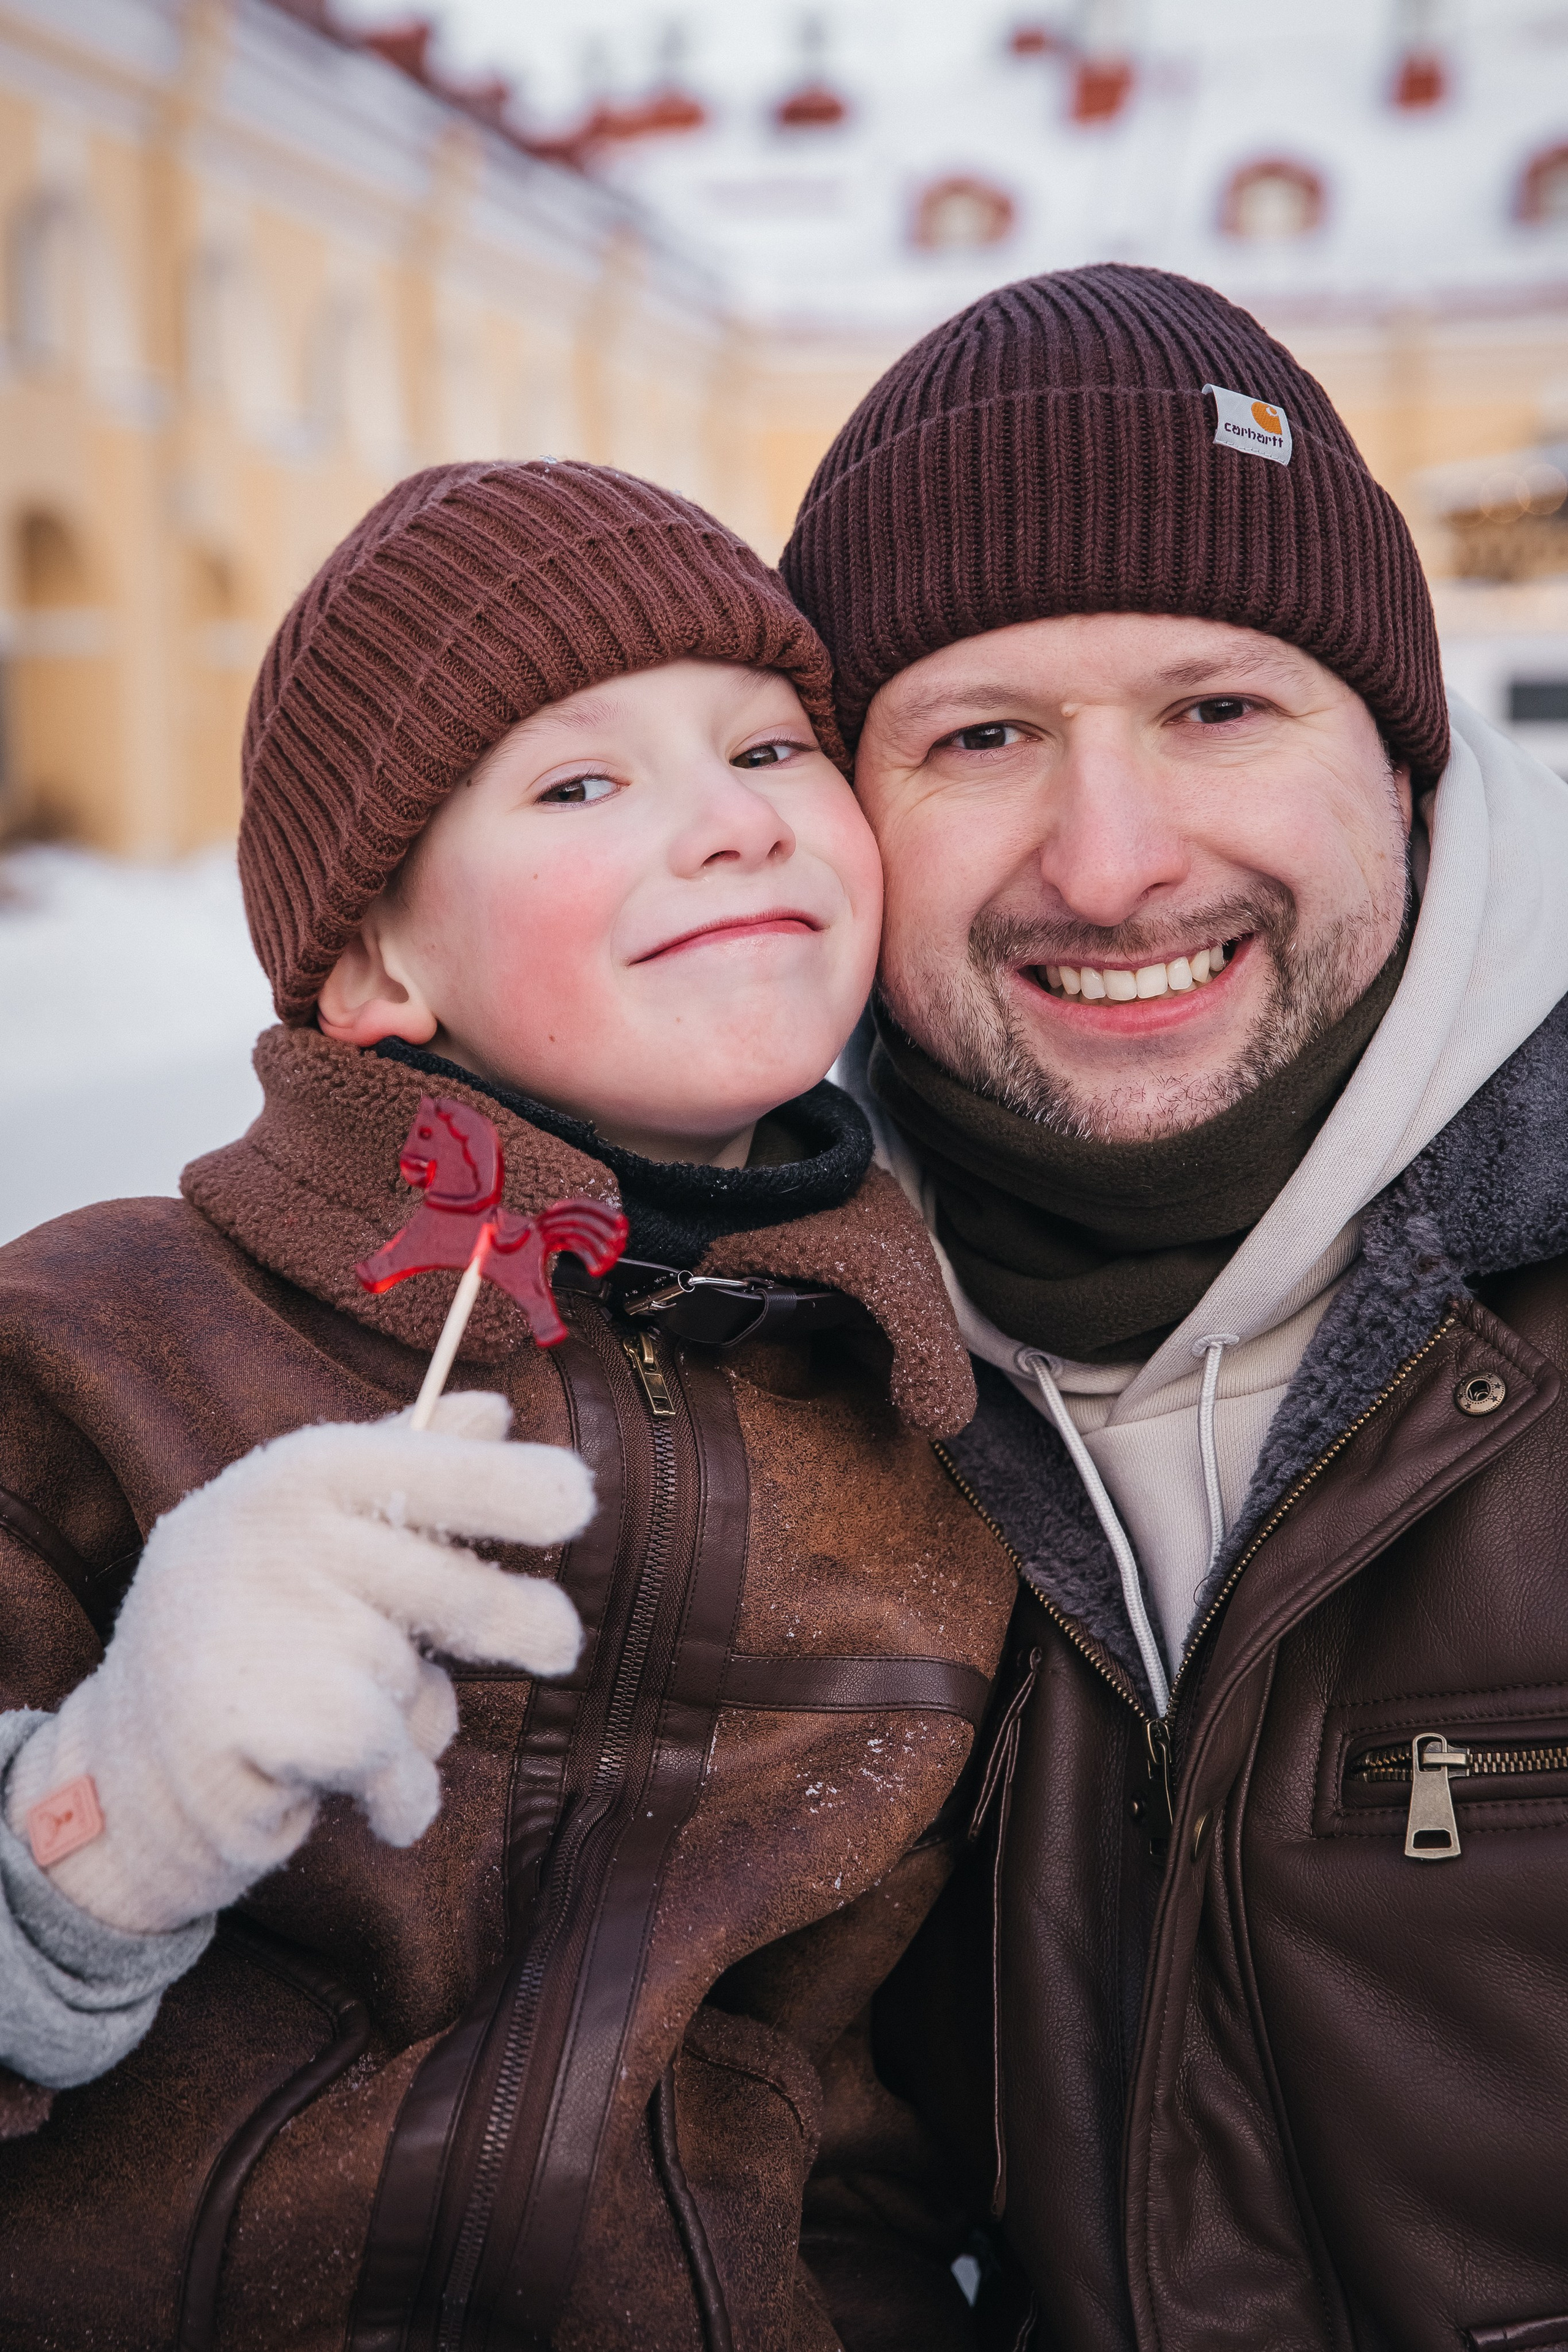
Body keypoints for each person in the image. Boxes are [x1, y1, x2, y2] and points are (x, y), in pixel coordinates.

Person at [0, 462, 1018, 2350]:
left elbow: (879, 2135)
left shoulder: (935, 1451)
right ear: (381, 962)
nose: (728, 827)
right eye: (580, 782)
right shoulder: (96, 1338)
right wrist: (96, 1818)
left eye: (774, 751)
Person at [780, 265, 1568, 2352]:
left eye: (1219, 708)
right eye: (982, 737)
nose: (1113, 864)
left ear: (1399, 758)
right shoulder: (735, 1375)